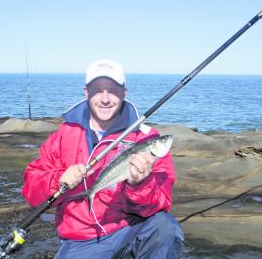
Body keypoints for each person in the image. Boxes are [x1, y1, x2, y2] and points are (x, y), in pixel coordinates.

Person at [22, 59, 185, 258]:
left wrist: (139, 185)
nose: (105, 98)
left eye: (113, 90)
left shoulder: (147, 138)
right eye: (98, 90)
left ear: (125, 92)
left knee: (165, 227)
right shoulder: (63, 136)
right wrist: (59, 179)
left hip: (132, 228)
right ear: (86, 92)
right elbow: (31, 192)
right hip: (81, 239)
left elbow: (161, 203)